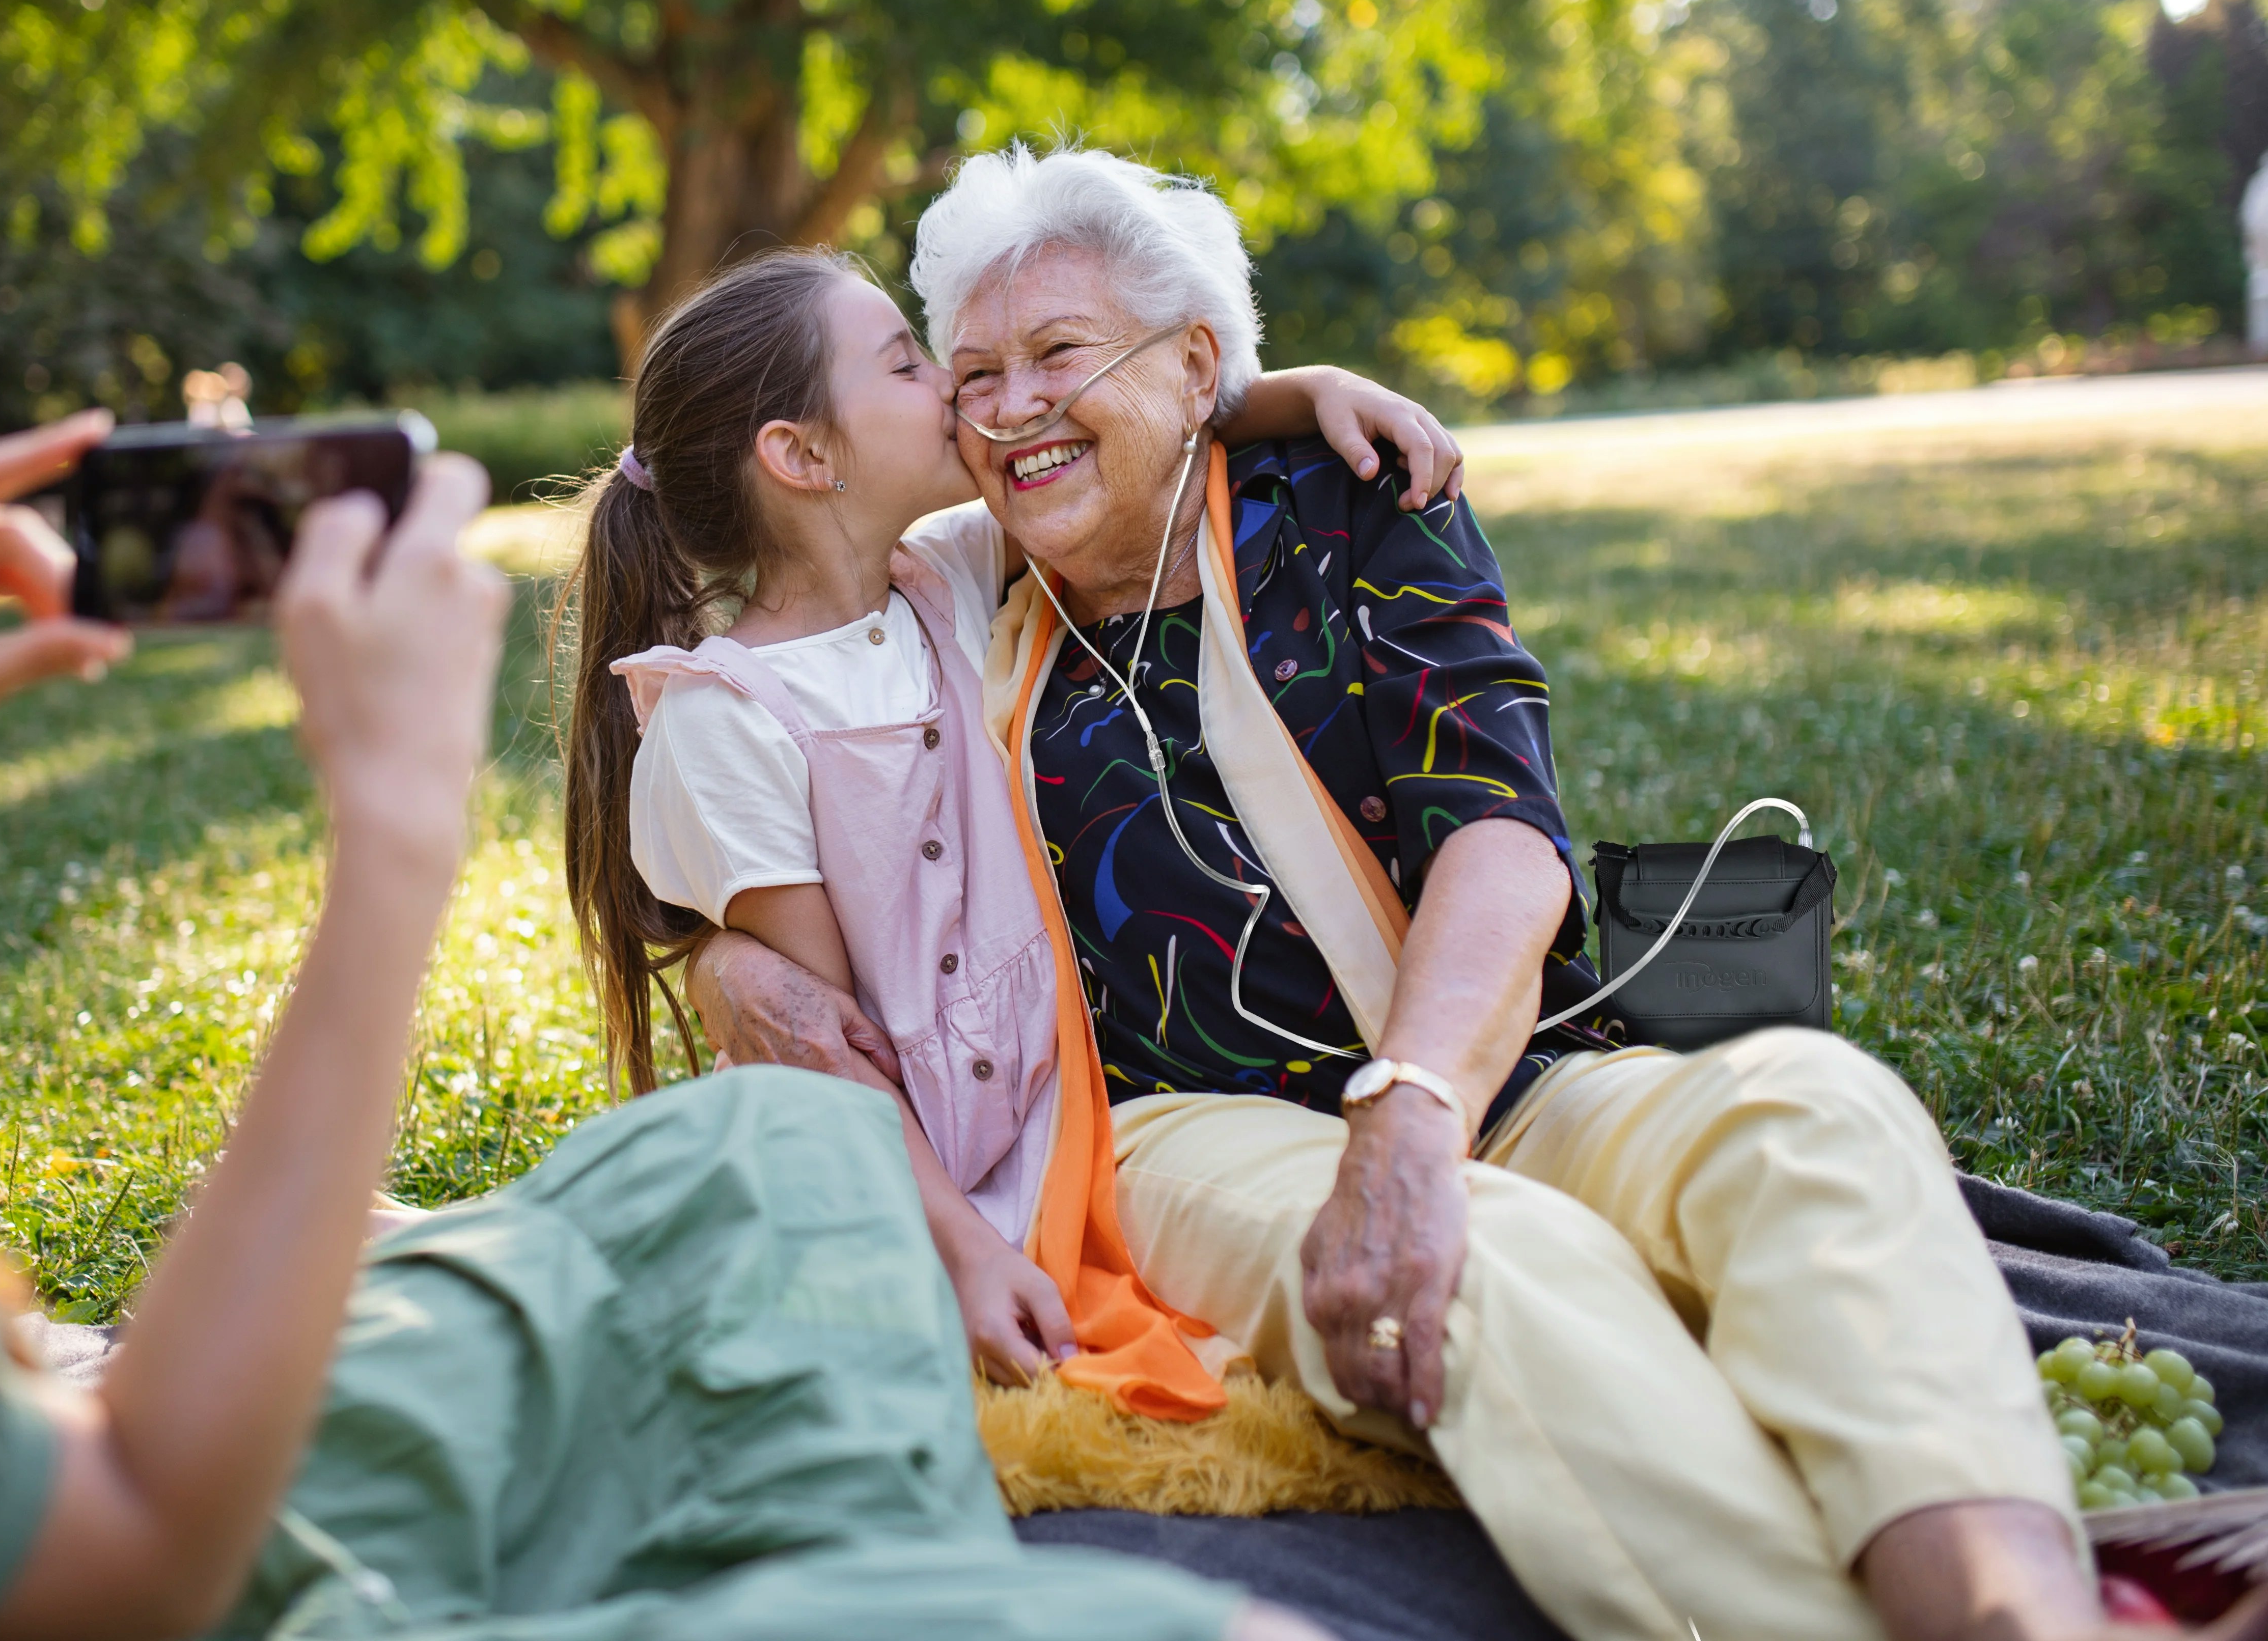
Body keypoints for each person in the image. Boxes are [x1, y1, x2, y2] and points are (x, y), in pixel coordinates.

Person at [0, 0, 1324, 1641]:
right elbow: (119, 1561)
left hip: (63, 1436)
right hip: (149, 1538)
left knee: (762, 1160)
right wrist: (393, 835)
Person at [692, 145, 2264, 1641]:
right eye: (973, 379)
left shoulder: (1358, 505)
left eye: (1061, 355)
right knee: (1502, 1268)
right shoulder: (952, 596)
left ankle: (2012, 1591)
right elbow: (765, 729)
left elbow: (1501, 834)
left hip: (1475, 1066)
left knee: (1809, 1110)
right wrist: (723, 966)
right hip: (1166, 1134)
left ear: (1195, 373)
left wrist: (1417, 1104)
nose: (1013, 407)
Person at [557, 247, 1460, 1391]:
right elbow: (827, 1054)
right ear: (800, 454)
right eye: (905, 362)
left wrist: (1308, 387)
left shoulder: (949, 573)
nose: (954, 384)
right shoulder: (723, 722)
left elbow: (1127, 426)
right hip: (904, 1181)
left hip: (1061, 1125)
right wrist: (970, 1254)